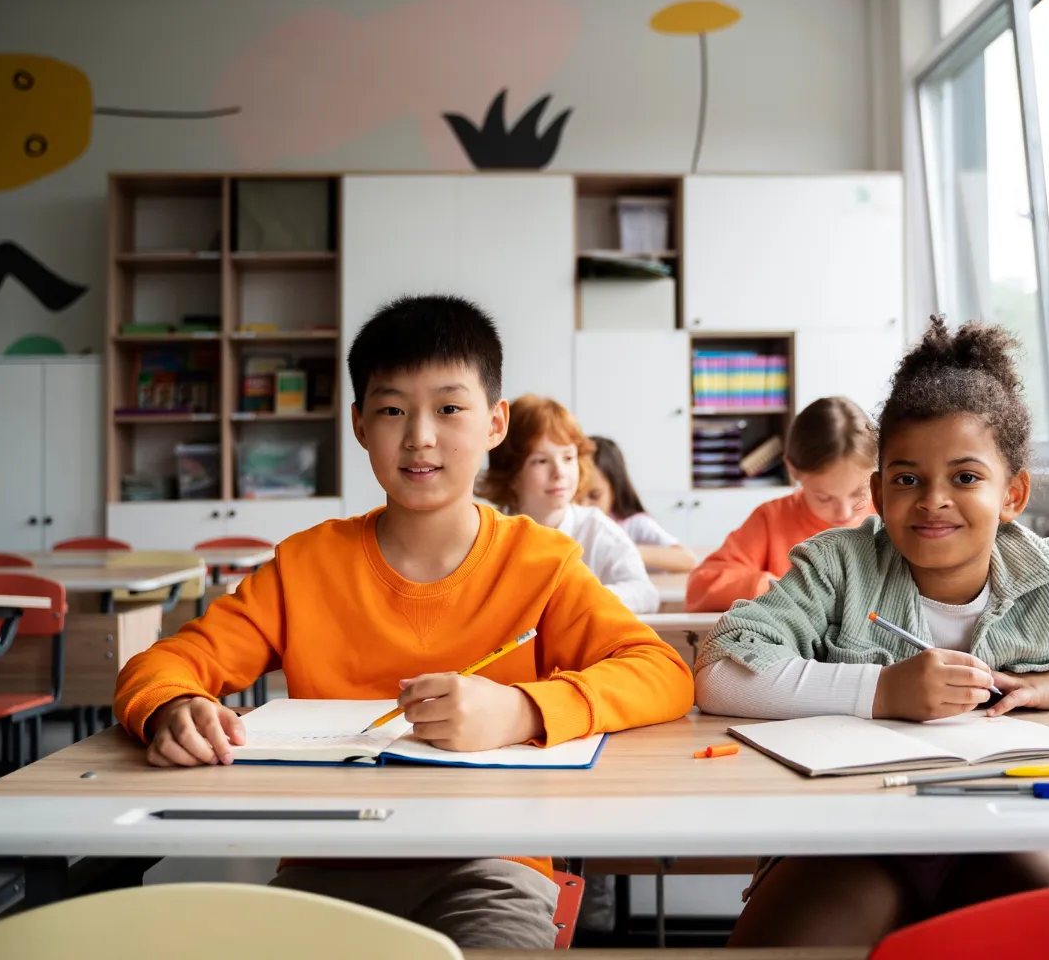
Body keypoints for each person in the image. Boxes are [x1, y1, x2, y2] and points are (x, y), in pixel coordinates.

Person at [114, 295, 694, 949]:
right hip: (328, 865)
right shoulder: (306, 565)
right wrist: (171, 706)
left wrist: (522, 711)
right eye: (393, 410)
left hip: (493, 869)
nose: (420, 435)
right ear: (360, 424)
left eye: (449, 408)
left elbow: (662, 673)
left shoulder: (543, 563)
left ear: (495, 423)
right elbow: (162, 663)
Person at [694, 316, 1049, 947]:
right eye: (907, 479)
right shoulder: (838, 567)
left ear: (1012, 493)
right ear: (876, 492)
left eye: (965, 477)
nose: (933, 499)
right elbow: (719, 669)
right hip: (852, 834)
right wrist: (880, 692)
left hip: (1013, 830)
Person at [685, 396, 876, 612]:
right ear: (793, 470)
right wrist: (776, 588)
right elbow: (700, 587)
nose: (844, 512)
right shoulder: (772, 518)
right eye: (824, 497)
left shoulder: (888, 517)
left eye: (859, 493)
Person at [481, 396, 659, 613]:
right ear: (511, 474)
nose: (559, 473)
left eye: (568, 458)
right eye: (541, 461)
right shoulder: (489, 534)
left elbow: (645, 594)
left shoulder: (597, 530)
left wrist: (575, 599)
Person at [582, 436, 697, 573]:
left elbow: (688, 559)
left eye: (595, 496)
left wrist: (622, 550)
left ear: (616, 489)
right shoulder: (567, 525)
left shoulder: (635, 526)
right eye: (575, 496)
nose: (583, 506)